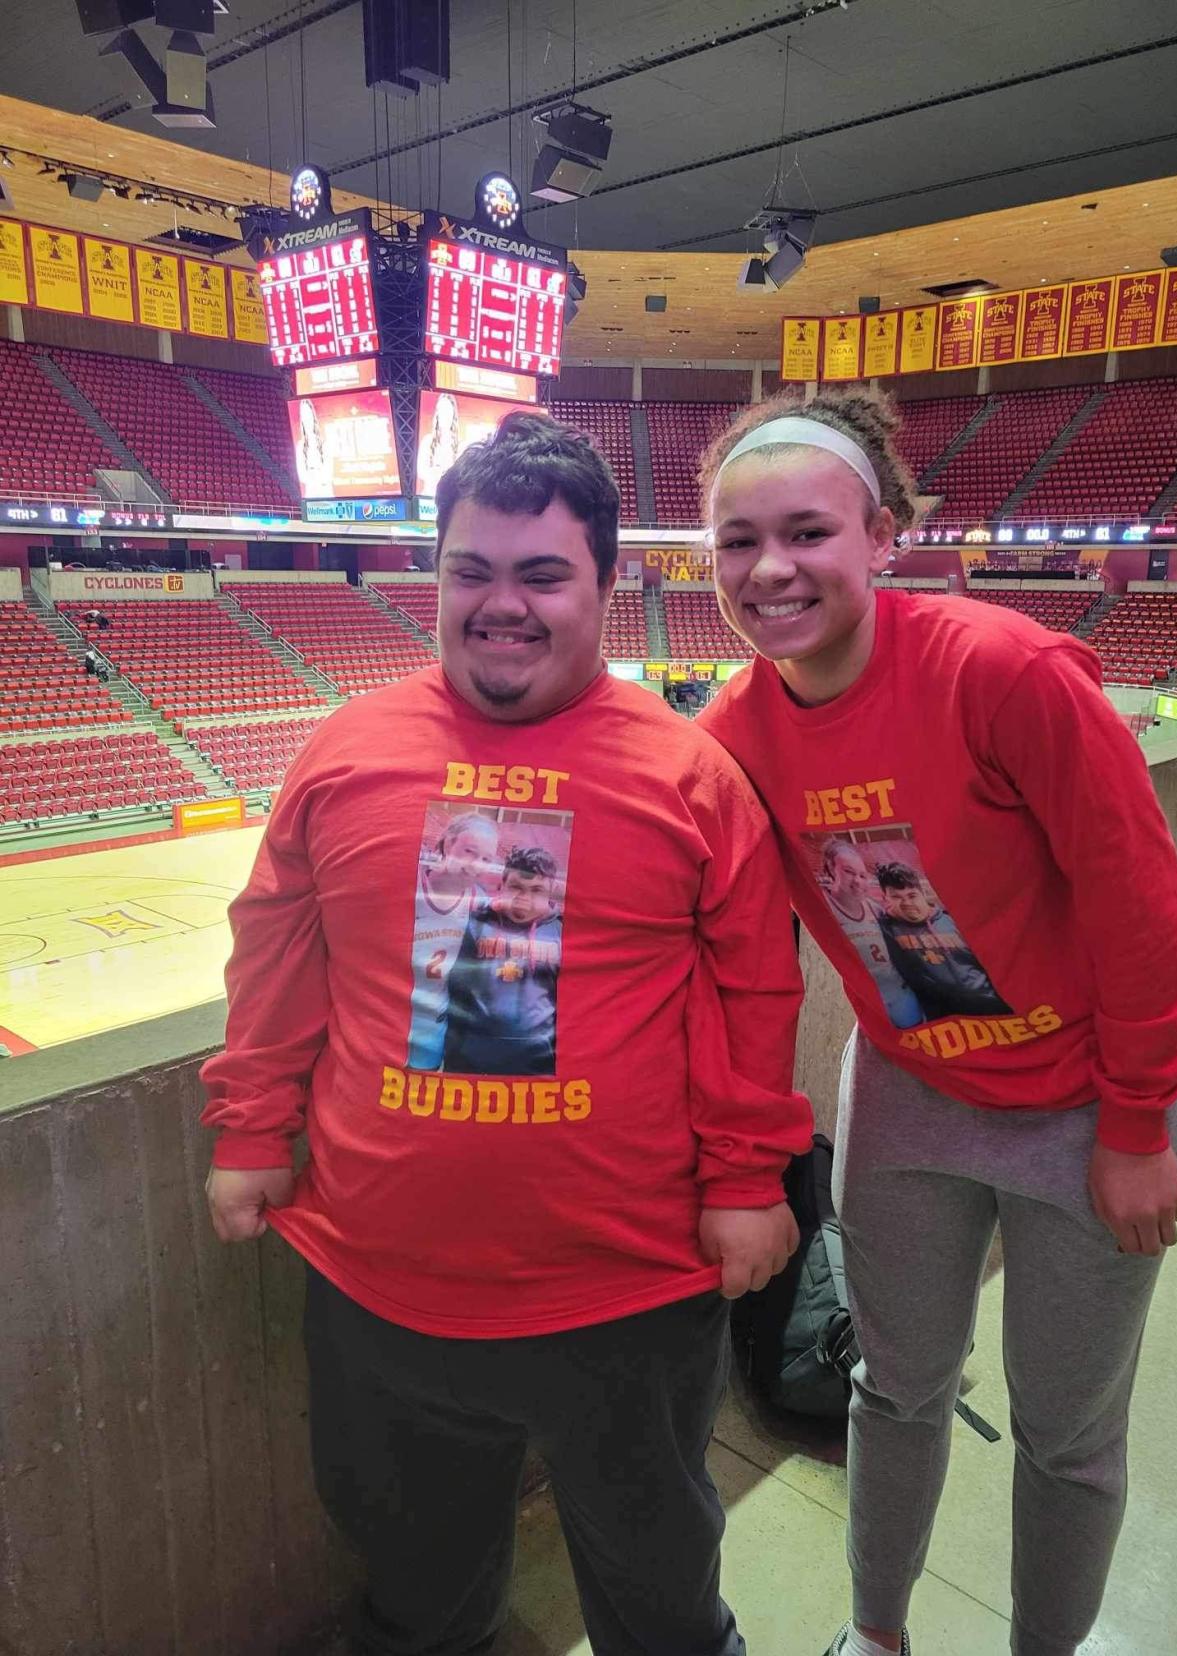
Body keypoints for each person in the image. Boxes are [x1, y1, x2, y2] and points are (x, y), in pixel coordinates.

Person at [200, 411, 811, 1656]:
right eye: (472, 571)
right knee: (417, 1593)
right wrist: (250, 1129)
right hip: (378, 1283)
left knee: (660, 1600)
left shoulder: (691, 777)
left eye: (542, 575)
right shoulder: (343, 752)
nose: (503, 605)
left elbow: (756, 990)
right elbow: (277, 950)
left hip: (627, 1292)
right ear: (437, 577)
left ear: (609, 581)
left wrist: (749, 1179)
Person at [695, 388, 1177, 1656]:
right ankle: (876, 1634)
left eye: (807, 533)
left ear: (882, 535)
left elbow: (1142, 912)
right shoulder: (734, 735)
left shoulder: (1004, 671)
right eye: (737, 542)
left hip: (1094, 1106)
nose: (771, 569)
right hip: (912, 1100)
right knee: (894, 1390)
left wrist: (1139, 1123)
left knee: (1068, 1434)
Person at [443, 843, 563, 1076]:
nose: (524, 898)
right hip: (472, 1059)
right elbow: (457, 990)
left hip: (537, 1063)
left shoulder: (561, 931)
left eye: (537, 889)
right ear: (502, 884)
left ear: (551, 890)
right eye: (516, 887)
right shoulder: (477, 922)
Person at [407, 810, 501, 1070]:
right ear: (449, 843)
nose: (475, 864)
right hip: (383, 1025)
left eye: (486, 858)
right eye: (470, 851)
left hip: (431, 1037)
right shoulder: (408, 883)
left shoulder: (481, 906)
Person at [871, 860, 1011, 1021]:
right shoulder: (886, 929)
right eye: (896, 897)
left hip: (994, 1007)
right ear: (885, 898)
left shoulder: (954, 920)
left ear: (922, 892)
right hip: (944, 1020)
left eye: (912, 895)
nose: (907, 903)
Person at [817, 840, 923, 1029]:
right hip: (869, 1004)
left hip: (900, 996)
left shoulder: (875, 909)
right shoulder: (822, 906)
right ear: (830, 870)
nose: (857, 881)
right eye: (848, 872)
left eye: (862, 875)